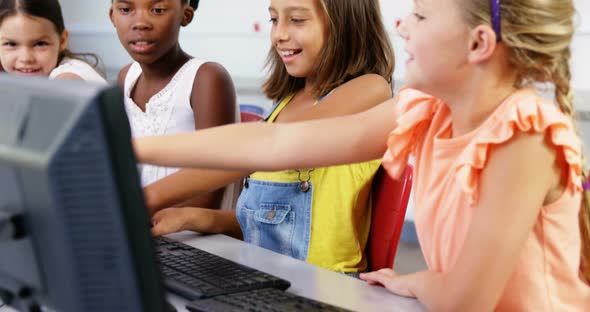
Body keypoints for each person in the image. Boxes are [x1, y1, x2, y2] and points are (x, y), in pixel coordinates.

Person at [134, 0, 590, 309]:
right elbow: (271, 144)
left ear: (478, 45)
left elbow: (464, 300)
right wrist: (132, 146)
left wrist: (414, 281)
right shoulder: (429, 108)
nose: (403, 26)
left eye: (421, 16)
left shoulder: (524, 137)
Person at [145, 0, 395, 275]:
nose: (279, 34)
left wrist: (149, 195)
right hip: (266, 275)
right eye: (274, 20)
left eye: (297, 20)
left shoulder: (370, 90)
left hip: (324, 286)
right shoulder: (285, 104)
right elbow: (267, 222)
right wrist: (196, 218)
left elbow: (265, 146)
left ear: (346, 25)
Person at [110, 0, 238, 210]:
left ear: (185, 15)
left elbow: (209, 193)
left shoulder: (206, 78)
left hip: (195, 235)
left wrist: (132, 213)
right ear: (112, 16)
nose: (140, 23)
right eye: (126, 10)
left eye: (157, 10)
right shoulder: (126, 77)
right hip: (143, 226)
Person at [0, 0, 106, 84]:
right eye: (11, 44)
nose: (26, 58)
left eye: (40, 44)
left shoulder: (67, 79)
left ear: (62, 40)